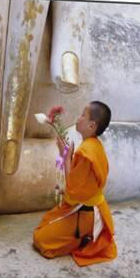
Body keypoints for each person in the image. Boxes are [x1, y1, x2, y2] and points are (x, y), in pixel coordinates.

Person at [33, 101, 117, 266]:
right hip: (87, 207)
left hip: (86, 214)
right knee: (45, 222)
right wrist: (67, 155)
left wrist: (65, 159)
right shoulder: (92, 145)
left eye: (82, 115)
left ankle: (86, 238)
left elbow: (72, 192)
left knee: (40, 240)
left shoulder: (86, 153)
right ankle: (82, 234)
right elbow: (78, 182)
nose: (78, 119)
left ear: (92, 125)